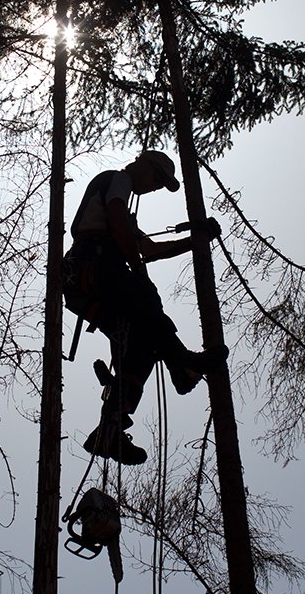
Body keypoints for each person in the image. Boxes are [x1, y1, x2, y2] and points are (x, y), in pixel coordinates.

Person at [62, 149, 220, 465]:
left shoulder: (121, 213)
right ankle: (180, 363)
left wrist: (196, 240)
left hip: (89, 288)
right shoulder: (117, 180)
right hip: (89, 267)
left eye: (161, 183)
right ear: (142, 165)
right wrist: (133, 263)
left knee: (140, 349)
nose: (155, 186)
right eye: (157, 178)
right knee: (144, 294)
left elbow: (149, 249)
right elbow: (121, 225)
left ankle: (109, 429)